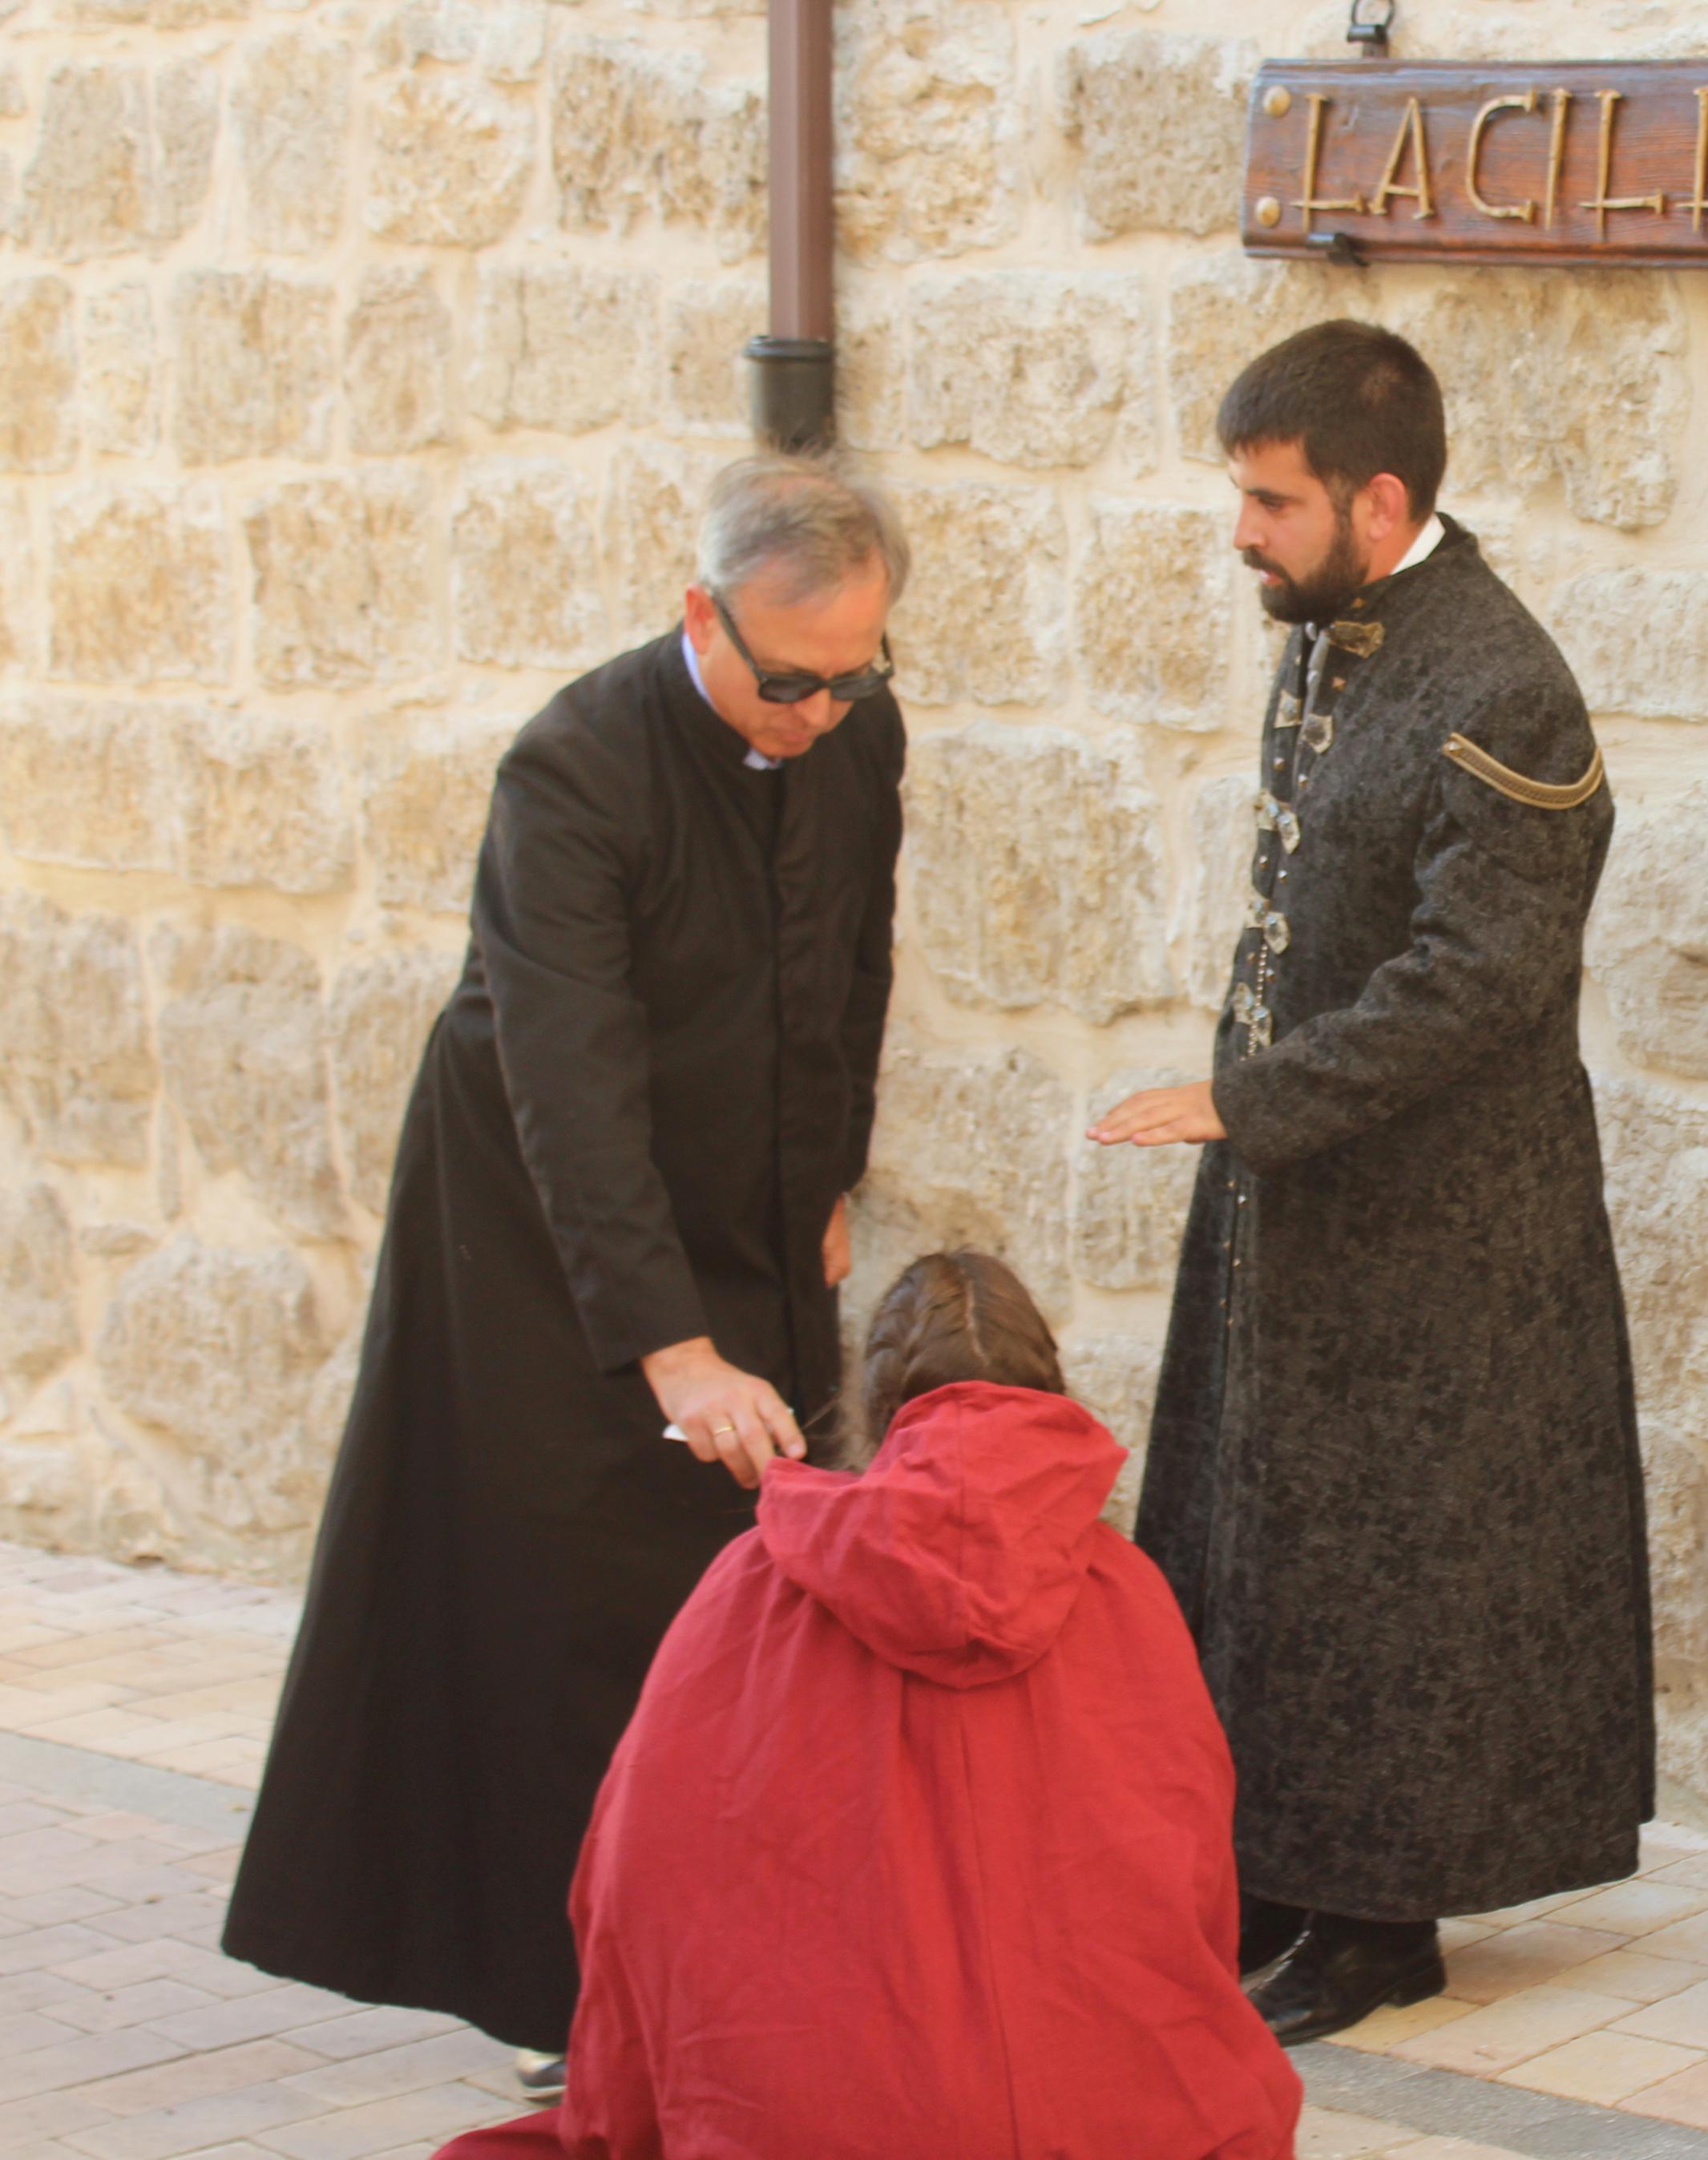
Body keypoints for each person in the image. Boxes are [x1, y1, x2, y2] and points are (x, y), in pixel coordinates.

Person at [225, 455, 911, 2084]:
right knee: (577, 1600)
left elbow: (853, 952)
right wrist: (667, 1342)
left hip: (745, 1188)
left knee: (735, 1583)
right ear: (702, 615)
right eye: (788, 677)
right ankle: (579, 2000)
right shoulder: (577, 764)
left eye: (851, 676)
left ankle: (716, 1963)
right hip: (541, 1232)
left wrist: (827, 1174)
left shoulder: (857, 730)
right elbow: (567, 1074)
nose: (817, 713)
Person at [1089, 319, 1650, 2043]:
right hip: (1302, 1185)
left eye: (1268, 500)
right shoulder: (1329, 627)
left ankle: (1379, 1914)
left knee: (1396, 1562)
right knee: (1265, 1527)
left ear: (1375, 494)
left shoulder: (1501, 683)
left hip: (1442, 1223)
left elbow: (1474, 982)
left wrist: (1243, 1100)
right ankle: (1272, 1858)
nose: (1241, 531)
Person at [432, 1252, 1304, 2160]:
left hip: (805, 2120)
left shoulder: (754, 1575)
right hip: (1108, 2116)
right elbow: (1190, 1859)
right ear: (1050, 1385)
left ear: (876, 1399)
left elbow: (639, 1866)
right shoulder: (1125, 1585)